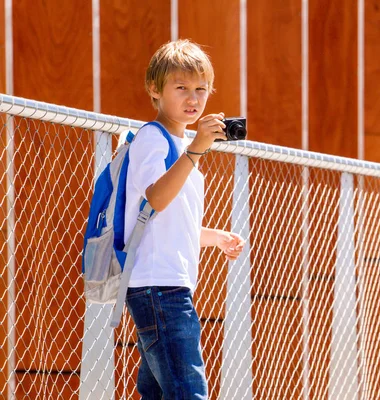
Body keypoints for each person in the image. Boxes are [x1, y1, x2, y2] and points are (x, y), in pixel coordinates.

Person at [124, 39, 245, 399]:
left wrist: (217, 237)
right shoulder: (152, 138)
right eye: (181, 88)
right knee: (188, 393)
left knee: (160, 393)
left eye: (201, 89)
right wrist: (195, 150)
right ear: (154, 89)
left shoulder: (180, 149)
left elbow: (170, 223)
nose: (193, 99)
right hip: (159, 287)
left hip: (170, 285)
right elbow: (156, 198)